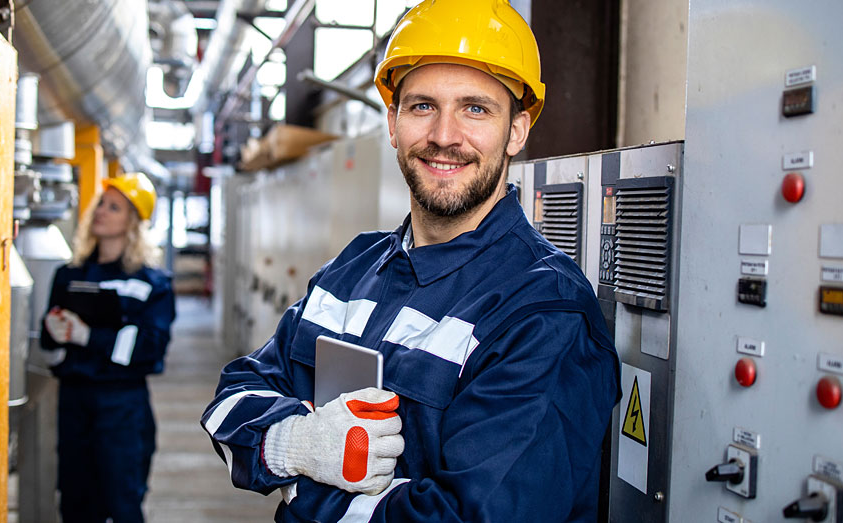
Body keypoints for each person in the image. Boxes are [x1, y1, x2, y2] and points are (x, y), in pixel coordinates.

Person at [202, 0, 621, 521]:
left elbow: (472, 515)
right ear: (393, 121)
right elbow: (230, 399)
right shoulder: (353, 270)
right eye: (423, 106)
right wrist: (297, 445)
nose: (445, 135)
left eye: (475, 108)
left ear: (517, 129)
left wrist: (304, 495)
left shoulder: (543, 312)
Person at [41, 172, 176, 523]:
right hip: (73, 402)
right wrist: (54, 331)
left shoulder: (151, 283)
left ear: (133, 221)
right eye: (101, 203)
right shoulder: (69, 275)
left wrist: (89, 337)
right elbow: (47, 345)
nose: (101, 211)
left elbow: (150, 348)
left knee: (123, 503)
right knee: (74, 503)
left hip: (122, 407)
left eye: (114, 207)